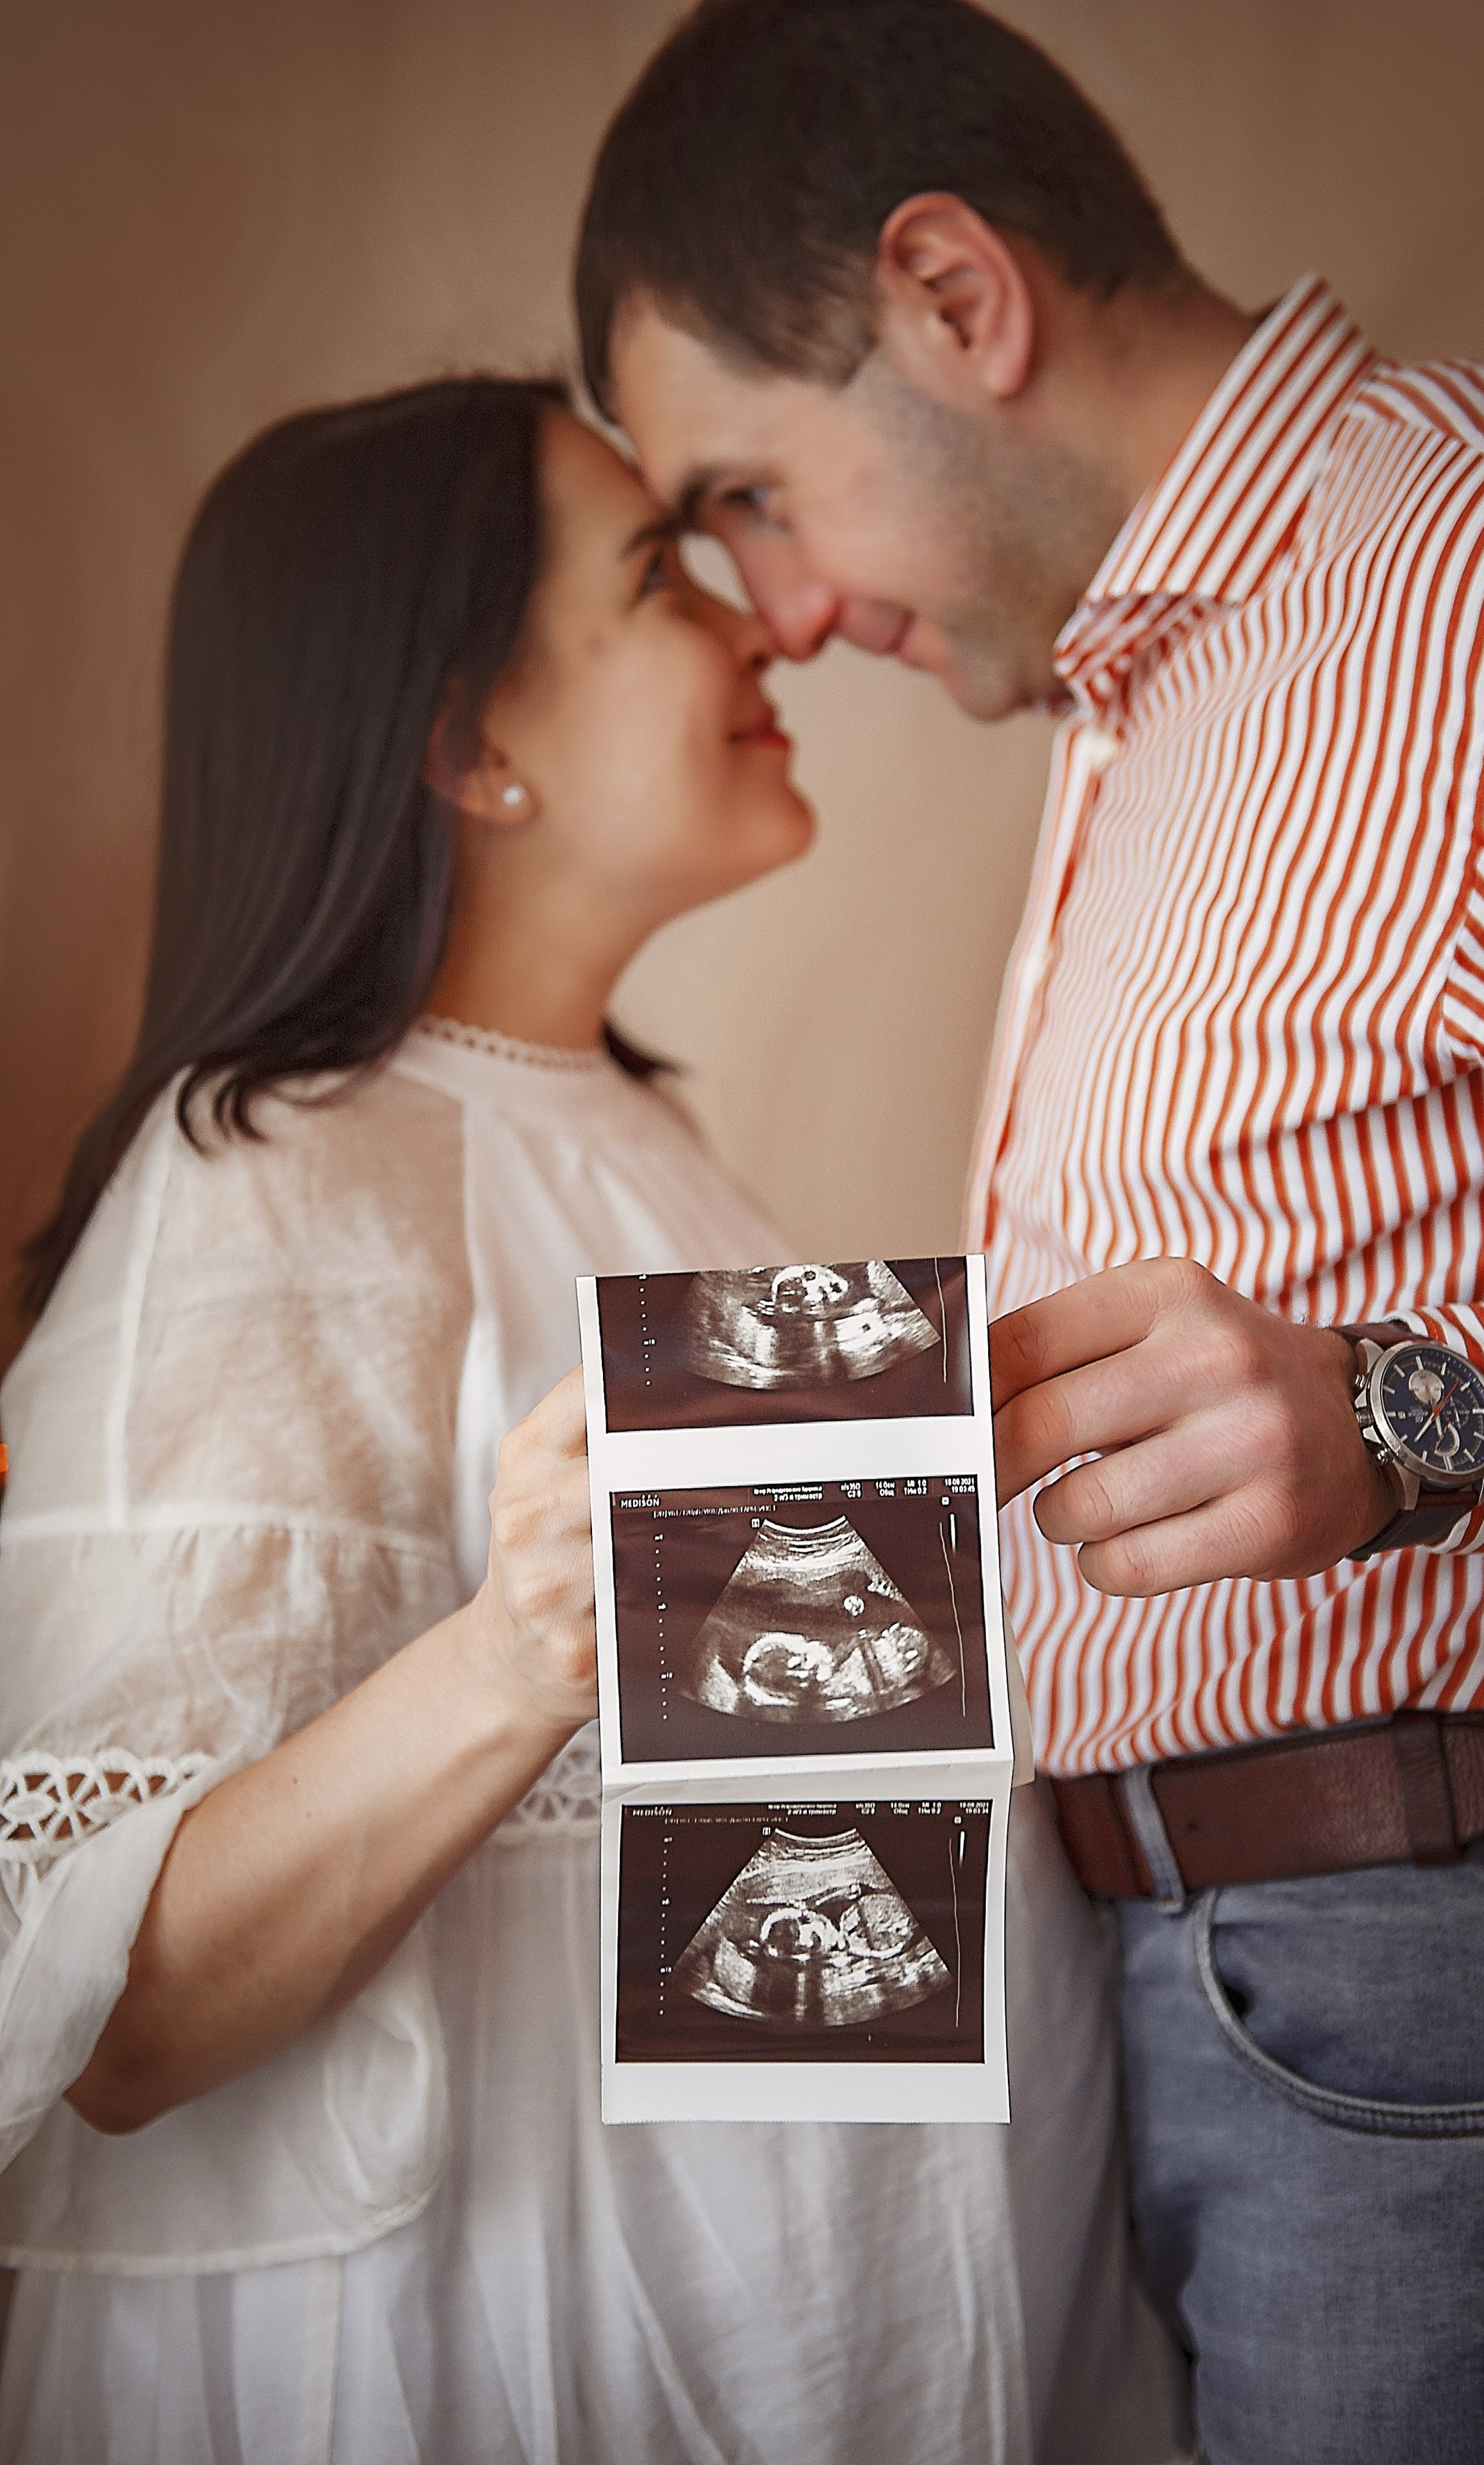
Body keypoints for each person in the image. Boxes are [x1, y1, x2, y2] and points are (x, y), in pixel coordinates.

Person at [573, 3, 1484, 2459]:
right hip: (1216, 1996)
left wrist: (1418, 1411)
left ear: (955, 295)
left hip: (1433, 1975)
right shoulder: (1143, 699)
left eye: (751, 492)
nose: (784, 609)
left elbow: (1389, 1401)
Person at [0, 377, 1189, 2463]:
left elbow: (801, 1946)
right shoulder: (270, 1172)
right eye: (661, 577)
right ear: (468, 741)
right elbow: (102, 2010)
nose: (761, 622)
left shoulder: (657, 1158)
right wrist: (520, 1652)